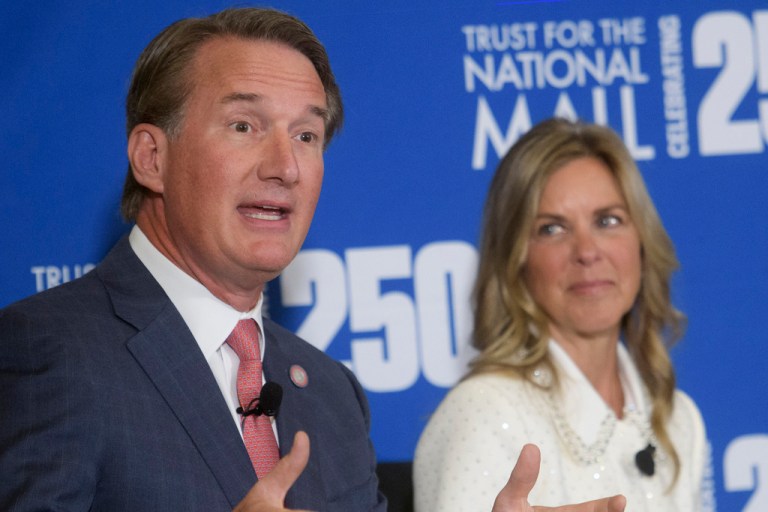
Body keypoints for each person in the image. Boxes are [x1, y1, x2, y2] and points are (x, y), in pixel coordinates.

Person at [0, 8, 625, 512]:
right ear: (152, 157)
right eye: (244, 126)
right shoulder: (45, 349)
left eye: (307, 135)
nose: (285, 166)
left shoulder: (329, 392)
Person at [413, 118, 711, 511]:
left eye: (608, 221)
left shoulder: (677, 419)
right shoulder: (482, 414)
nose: (587, 251)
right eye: (553, 229)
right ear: (515, 259)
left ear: (642, 240)